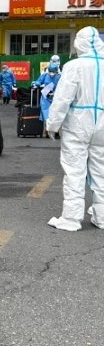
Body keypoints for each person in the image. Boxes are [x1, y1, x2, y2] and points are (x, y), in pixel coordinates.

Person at [46, 26, 104, 232]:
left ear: (79, 43)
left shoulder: (74, 66)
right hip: (102, 126)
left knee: (74, 171)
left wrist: (52, 125)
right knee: (101, 171)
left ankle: (71, 218)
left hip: (78, 124)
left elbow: (62, 99)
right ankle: (102, 217)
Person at [32, 62, 61, 135]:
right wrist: (37, 84)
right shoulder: (45, 75)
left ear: (56, 71)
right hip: (46, 96)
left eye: (53, 71)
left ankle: (56, 131)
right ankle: (47, 130)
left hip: (56, 97)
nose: (52, 73)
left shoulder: (60, 76)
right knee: (46, 114)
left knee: (56, 114)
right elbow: (38, 81)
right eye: (50, 71)